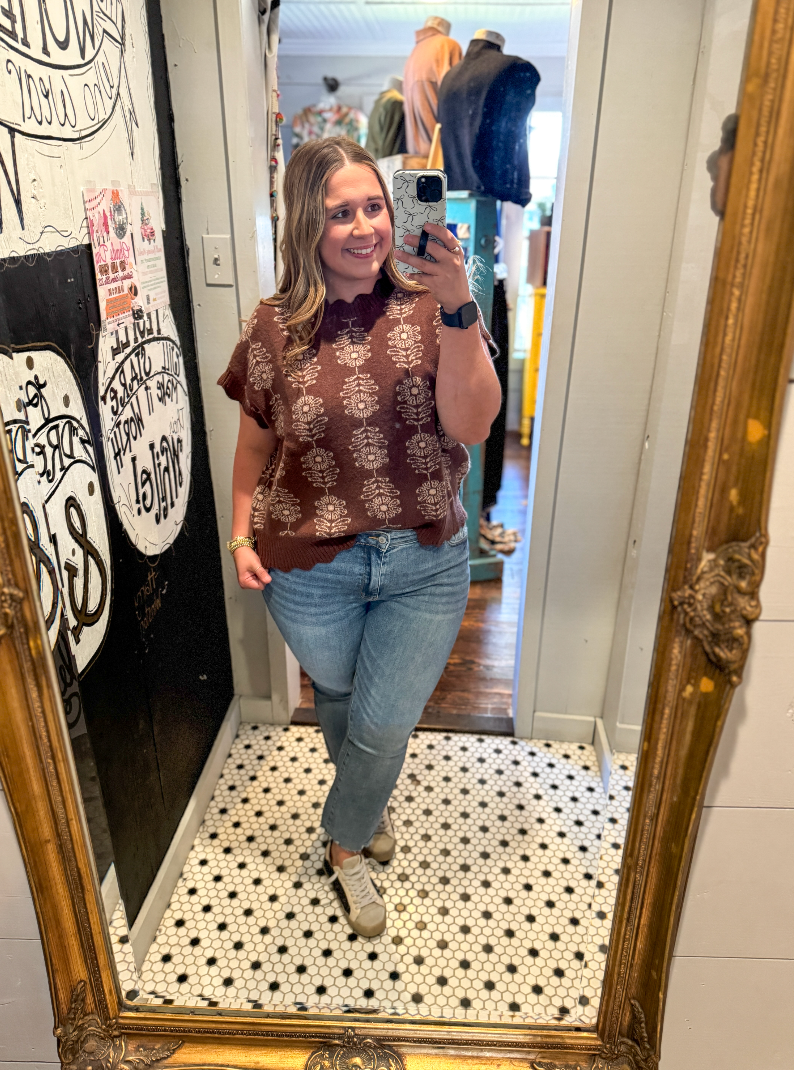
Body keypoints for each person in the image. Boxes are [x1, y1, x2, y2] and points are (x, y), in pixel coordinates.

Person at [218, 137, 501, 938]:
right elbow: (254, 445)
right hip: (309, 566)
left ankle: (343, 846)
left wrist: (459, 305)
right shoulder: (274, 327)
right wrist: (239, 536)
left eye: (374, 206)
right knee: (343, 700)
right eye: (340, 212)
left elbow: (471, 424)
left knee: (380, 722)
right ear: (308, 224)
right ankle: (366, 807)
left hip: (424, 560)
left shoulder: (434, 305)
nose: (364, 226)